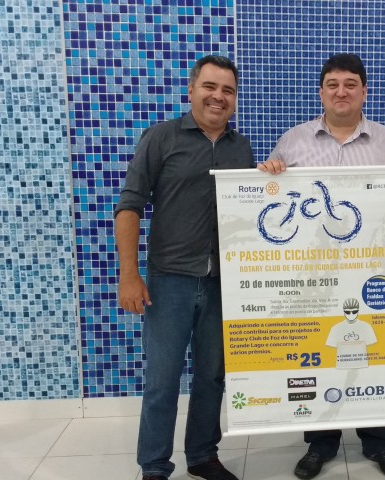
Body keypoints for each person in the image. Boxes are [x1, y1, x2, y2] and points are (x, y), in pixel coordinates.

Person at [258, 53, 385, 480]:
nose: (341, 91)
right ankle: (321, 443)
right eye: (333, 84)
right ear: (321, 92)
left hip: (369, 272)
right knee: (318, 352)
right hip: (311, 273)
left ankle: (378, 442)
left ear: (364, 91)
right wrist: (269, 172)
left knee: (372, 353)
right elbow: (268, 194)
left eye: (350, 84)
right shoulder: (293, 141)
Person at [115, 55, 255, 480]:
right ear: (191, 90)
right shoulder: (161, 138)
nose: (218, 97)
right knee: (162, 380)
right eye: (210, 87)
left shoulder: (241, 147)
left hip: (222, 284)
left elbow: (252, 208)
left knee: (212, 376)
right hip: (169, 281)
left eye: (228, 90)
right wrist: (129, 274)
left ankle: (202, 456)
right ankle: (154, 465)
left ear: (235, 99)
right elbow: (129, 205)